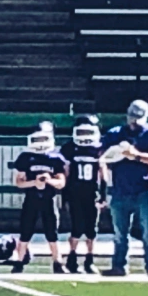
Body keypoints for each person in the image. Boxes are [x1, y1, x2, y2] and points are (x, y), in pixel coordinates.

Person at [100, 100, 148, 276]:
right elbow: (101, 157)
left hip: (144, 188)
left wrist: (136, 156)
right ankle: (119, 265)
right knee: (119, 232)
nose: (134, 122)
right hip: (120, 189)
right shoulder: (114, 134)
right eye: (132, 117)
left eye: (138, 118)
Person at [9, 122, 69, 274]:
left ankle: (57, 262)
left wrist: (48, 180)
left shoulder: (55, 158)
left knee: (52, 233)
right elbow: (19, 182)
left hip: (49, 199)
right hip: (31, 199)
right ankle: (19, 261)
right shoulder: (25, 157)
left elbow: (61, 183)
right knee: (25, 231)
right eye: (38, 139)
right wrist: (34, 182)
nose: (41, 143)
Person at [61, 114, 107, 274]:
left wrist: (103, 195)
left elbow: (103, 172)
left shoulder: (99, 148)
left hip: (92, 193)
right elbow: (65, 173)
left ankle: (89, 259)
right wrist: (64, 195)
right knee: (76, 226)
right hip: (74, 192)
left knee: (91, 229)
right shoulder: (68, 148)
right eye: (81, 132)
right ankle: (71, 258)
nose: (85, 136)